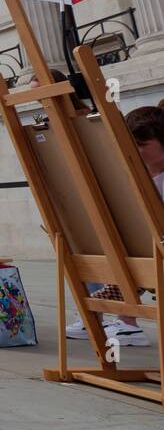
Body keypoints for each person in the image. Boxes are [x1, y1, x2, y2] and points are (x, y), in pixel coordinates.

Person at [67, 105, 164, 345]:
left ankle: (114, 314)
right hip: (143, 253)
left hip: (153, 253)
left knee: (132, 260)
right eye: (132, 145)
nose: (136, 152)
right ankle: (115, 315)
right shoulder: (137, 176)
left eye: (143, 145)